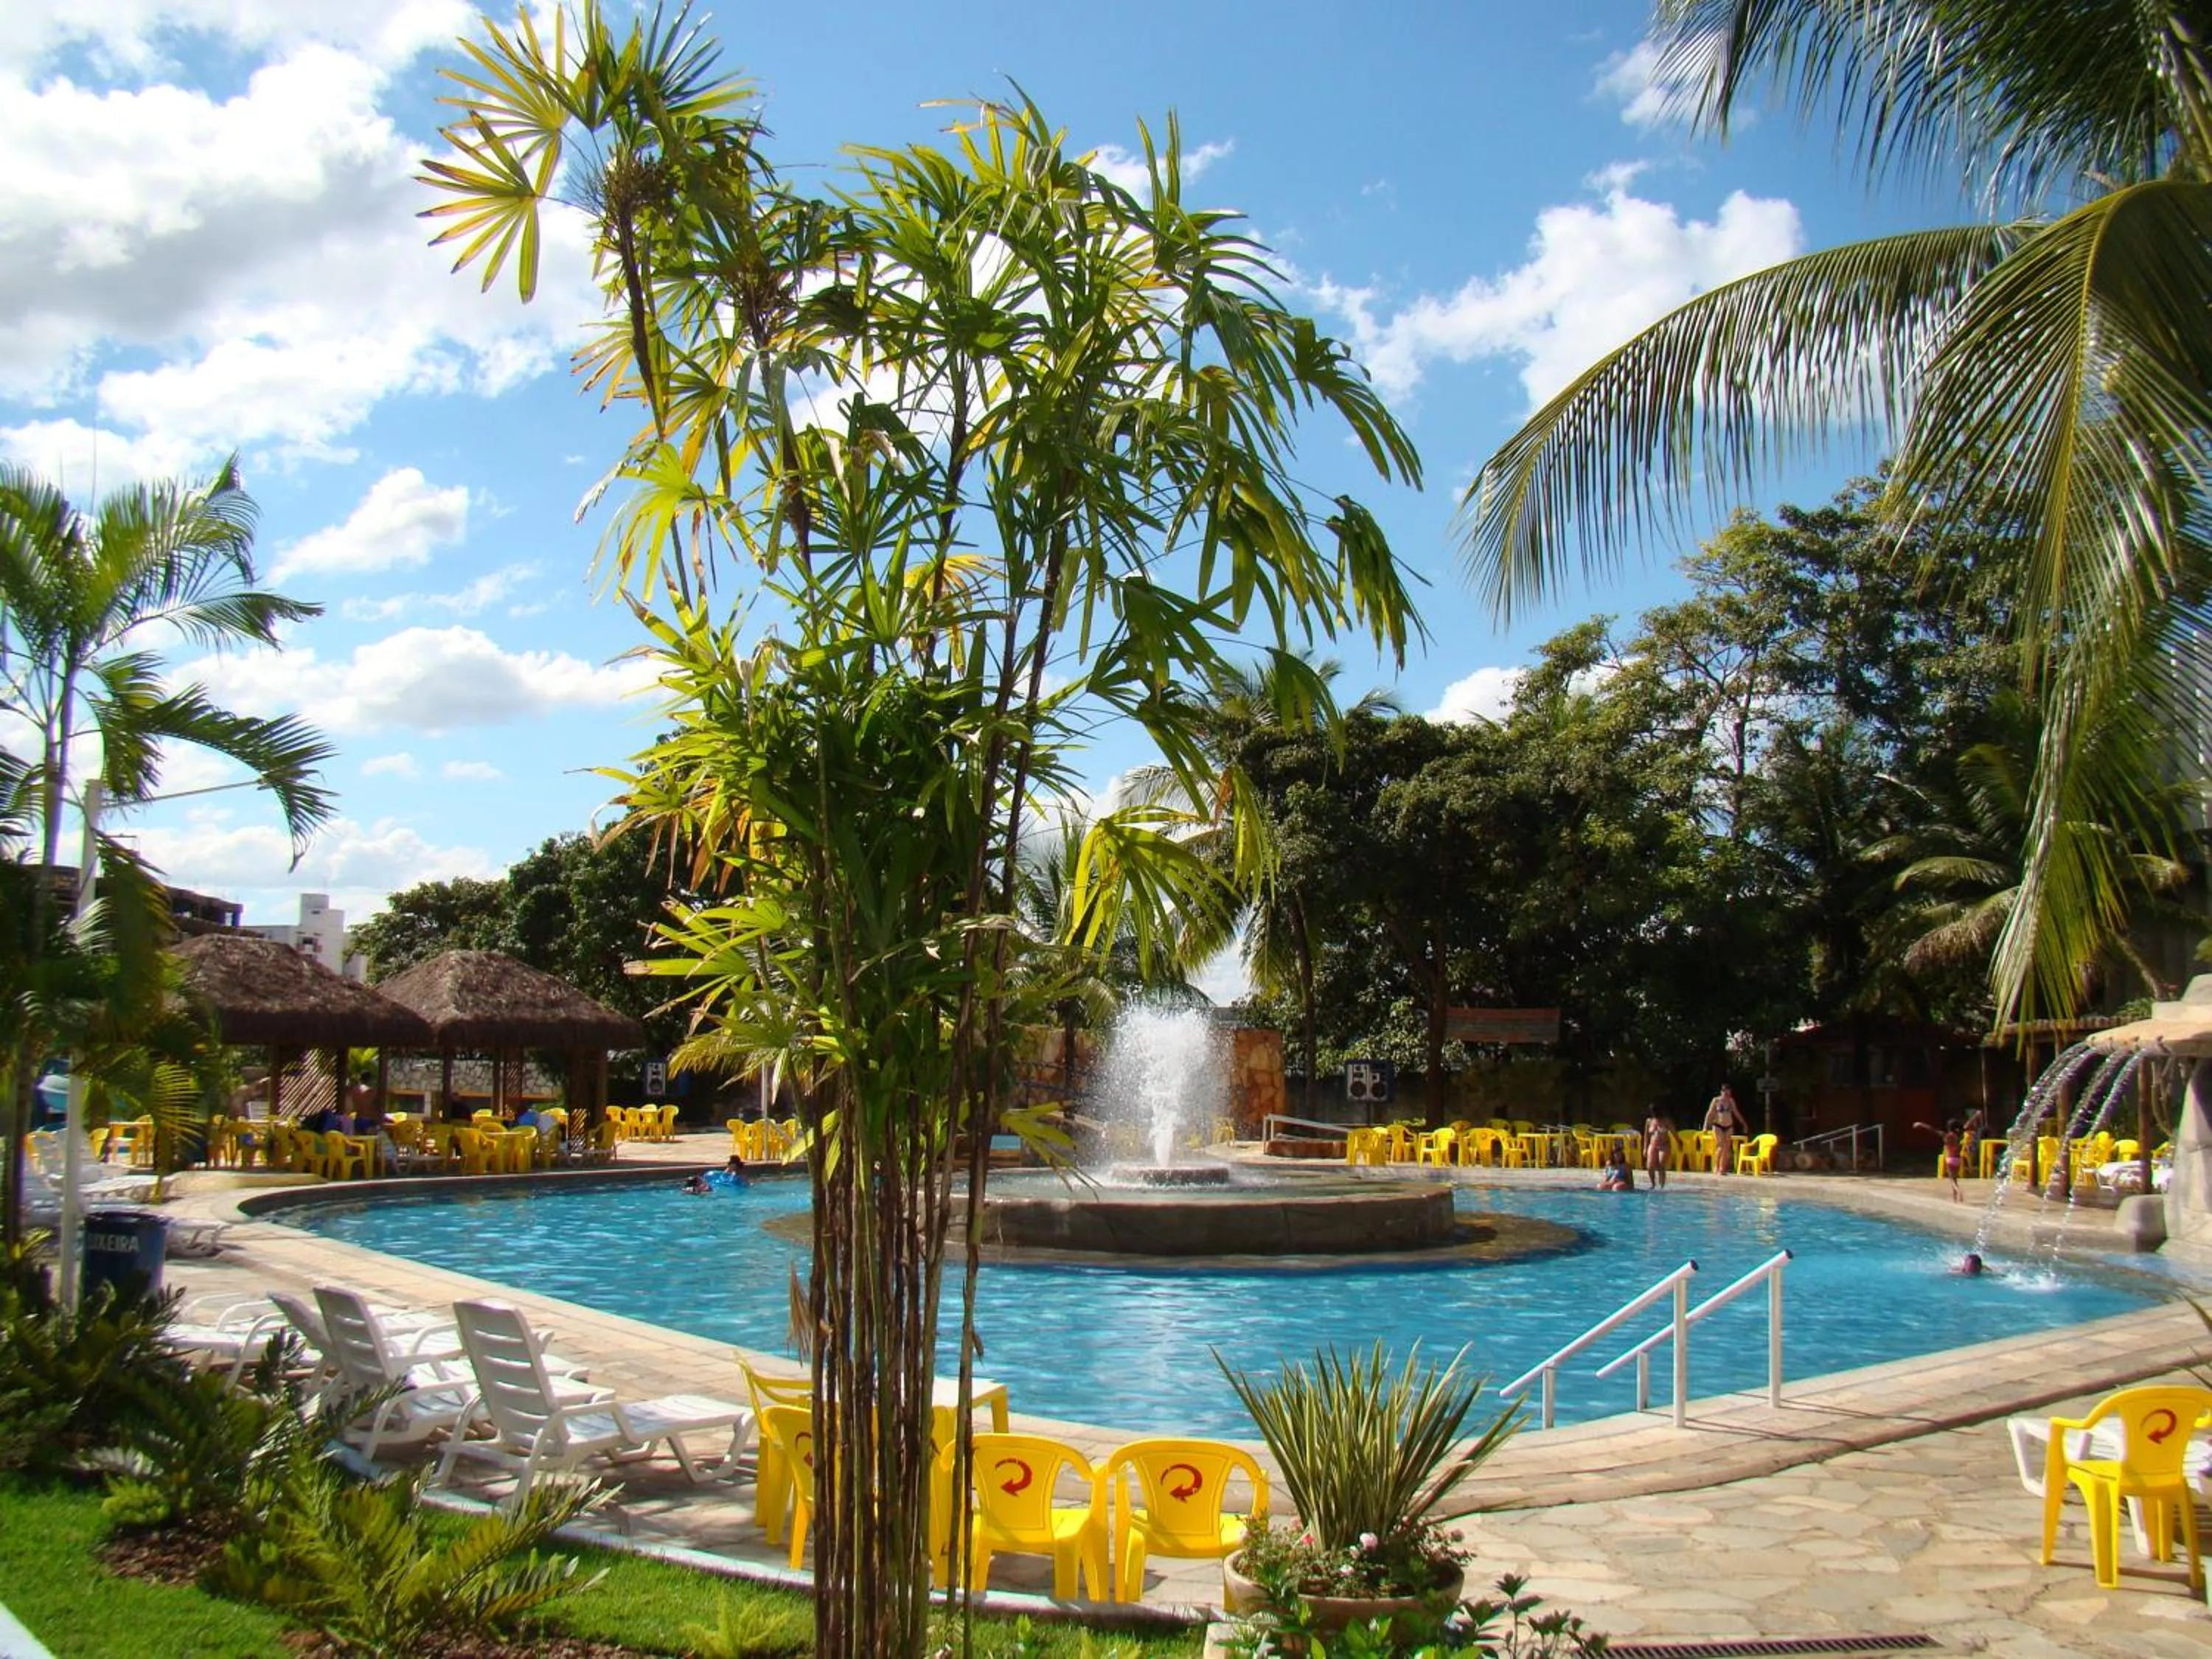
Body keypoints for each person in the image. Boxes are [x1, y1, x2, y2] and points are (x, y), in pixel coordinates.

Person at [1914, 1117, 1965, 1203]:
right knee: (1955, 1179)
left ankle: (1958, 1192)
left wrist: (1921, 1124)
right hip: (1958, 1159)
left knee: (1952, 1180)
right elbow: (1968, 1125)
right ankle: (1955, 1200)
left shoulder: (1946, 1135)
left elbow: (1932, 1130)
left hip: (1950, 1159)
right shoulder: (1958, 1136)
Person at [1703, 1083, 1747, 1177]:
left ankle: (1722, 1169)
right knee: (1720, 1146)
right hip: (1718, 1125)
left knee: (1727, 1148)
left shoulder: (1731, 1101)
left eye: (1728, 1093)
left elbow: (1736, 1113)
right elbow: (1710, 1113)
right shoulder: (1716, 1100)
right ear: (1722, 1092)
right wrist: (1705, 1126)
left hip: (1729, 1126)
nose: (1727, 1095)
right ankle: (1716, 1166)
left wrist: (1744, 1124)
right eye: (1725, 1093)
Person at [1642, 1105, 1674, 1190]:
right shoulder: (1649, 1121)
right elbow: (1646, 1135)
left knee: (1661, 1164)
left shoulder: (1666, 1121)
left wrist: (1679, 1142)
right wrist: (1645, 1148)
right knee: (1650, 1166)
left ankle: (1662, 1186)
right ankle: (1653, 1184)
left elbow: (1673, 1132)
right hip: (1653, 1145)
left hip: (1664, 1145)